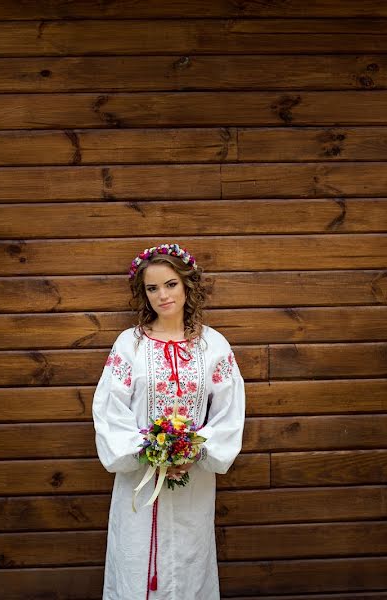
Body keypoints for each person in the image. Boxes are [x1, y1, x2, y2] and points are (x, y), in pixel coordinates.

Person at [92, 243, 246, 599]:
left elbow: (229, 410)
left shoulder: (213, 345)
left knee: (190, 564)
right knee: (136, 560)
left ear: (186, 284)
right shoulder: (129, 345)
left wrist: (191, 452)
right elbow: (109, 409)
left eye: (170, 284)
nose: (163, 295)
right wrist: (148, 452)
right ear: (143, 294)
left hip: (194, 478)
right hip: (140, 480)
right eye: (152, 288)